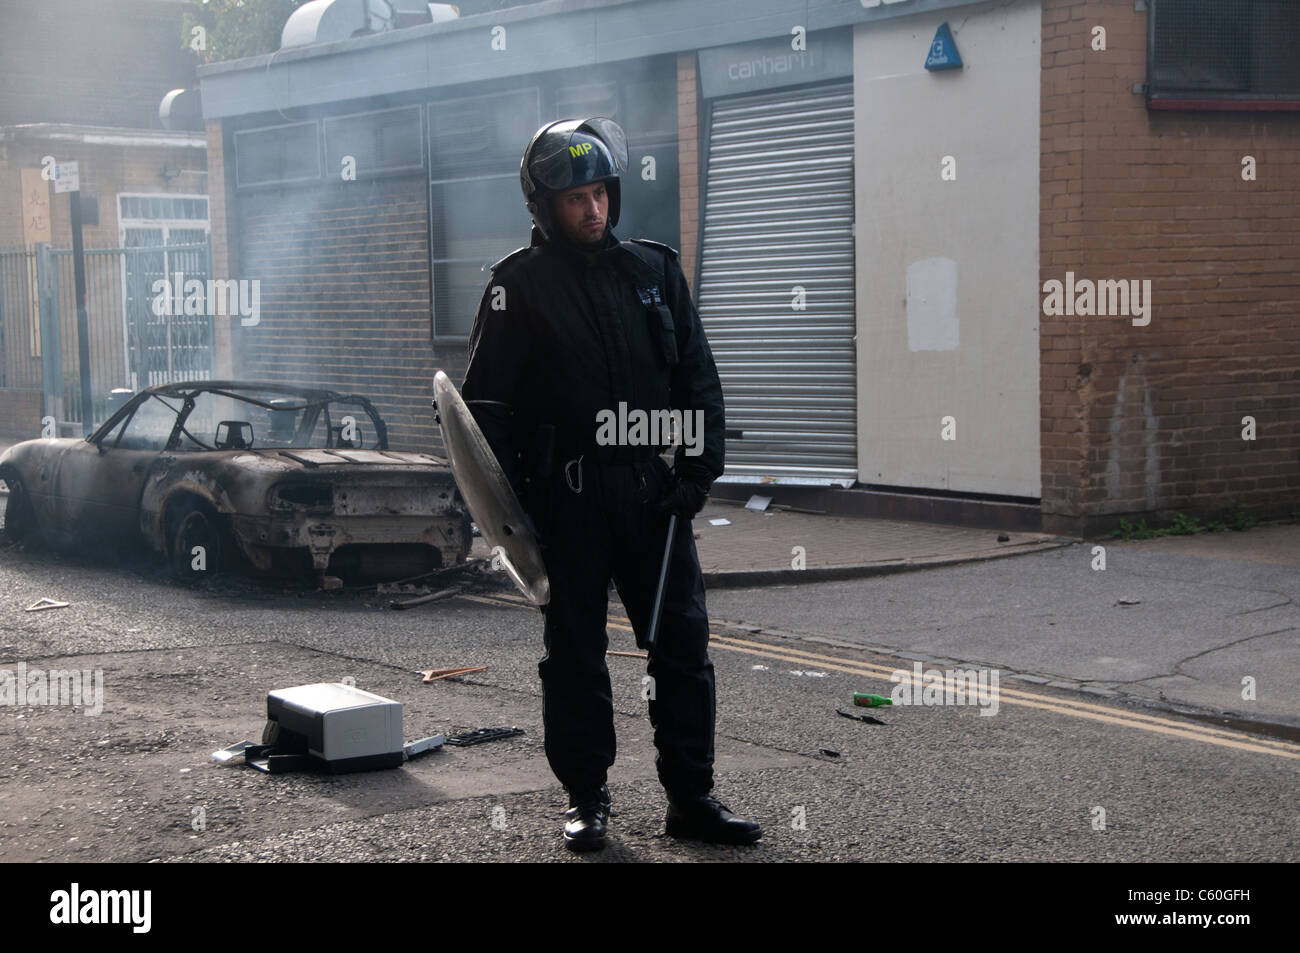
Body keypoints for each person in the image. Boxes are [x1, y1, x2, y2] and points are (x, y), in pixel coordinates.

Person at [461, 117, 761, 852]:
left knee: (682, 649)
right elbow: (485, 413)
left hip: (653, 497)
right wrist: (520, 513)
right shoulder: (517, 287)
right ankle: (587, 800)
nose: (592, 209)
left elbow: (698, 379)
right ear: (544, 207)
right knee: (575, 654)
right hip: (570, 499)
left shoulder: (654, 272)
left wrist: (696, 472)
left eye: (599, 193)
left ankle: (691, 798)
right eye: (574, 199)